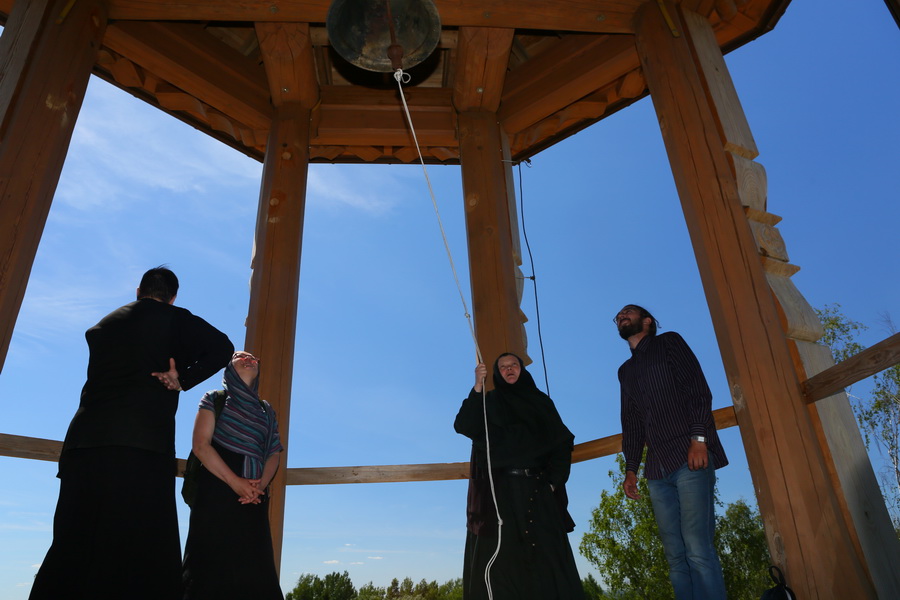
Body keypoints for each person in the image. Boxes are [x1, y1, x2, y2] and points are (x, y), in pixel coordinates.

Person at [30, 266, 234, 600]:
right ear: (172, 296)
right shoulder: (173, 317)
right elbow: (222, 347)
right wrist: (182, 379)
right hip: (142, 445)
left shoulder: (103, 326)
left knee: (74, 542)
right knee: (144, 547)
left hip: (83, 445)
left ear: (138, 290)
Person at [615, 304, 728, 600]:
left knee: (698, 548)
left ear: (647, 321)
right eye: (618, 316)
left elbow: (698, 390)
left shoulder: (670, 343)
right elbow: (632, 421)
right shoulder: (624, 371)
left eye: (628, 312)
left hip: (689, 457)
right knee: (675, 555)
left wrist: (699, 438)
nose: (620, 316)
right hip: (656, 471)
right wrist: (631, 469)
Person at [454, 353, 584, 600]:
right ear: (496, 373)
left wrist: (554, 483)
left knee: (546, 558)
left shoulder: (540, 402)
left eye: (513, 364)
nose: (509, 369)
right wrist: (478, 386)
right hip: (500, 494)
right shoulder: (488, 402)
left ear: (522, 369)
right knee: (504, 559)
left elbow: (562, 442)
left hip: (538, 491)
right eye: (502, 367)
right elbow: (463, 425)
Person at [181, 350, 284, 599]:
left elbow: (273, 453)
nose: (249, 360)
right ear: (229, 369)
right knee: (206, 565)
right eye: (241, 357)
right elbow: (201, 445)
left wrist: (259, 486)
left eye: (253, 359)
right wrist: (235, 482)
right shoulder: (214, 398)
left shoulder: (266, 410)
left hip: (254, 496)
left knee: (255, 567)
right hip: (216, 491)